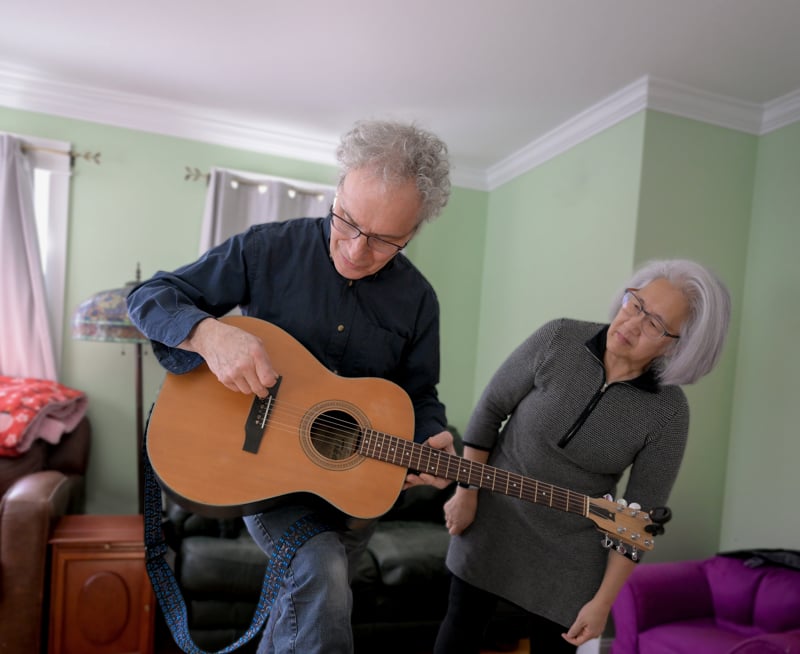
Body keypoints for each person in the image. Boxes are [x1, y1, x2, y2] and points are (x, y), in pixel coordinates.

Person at [127, 119, 456, 654]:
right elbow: (151, 296)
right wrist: (210, 334)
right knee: (319, 575)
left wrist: (433, 434)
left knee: (306, 608)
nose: (353, 249)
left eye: (381, 240)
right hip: (260, 466)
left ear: (413, 232)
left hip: (357, 491)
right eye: (346, 220)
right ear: (338, 190)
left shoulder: (419, 301)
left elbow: (420, 393)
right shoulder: (268, 249)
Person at [433, 259, 731, 654]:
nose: (631, 323)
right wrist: (466, 492)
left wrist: (602, 602)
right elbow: (490, 409)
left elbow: (638, 521)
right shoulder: (559, 338)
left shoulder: (669, 413)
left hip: (571, 553)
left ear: (679, 346)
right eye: (635, 304)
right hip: (493, 514)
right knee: (458, 635)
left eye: (655, 324)